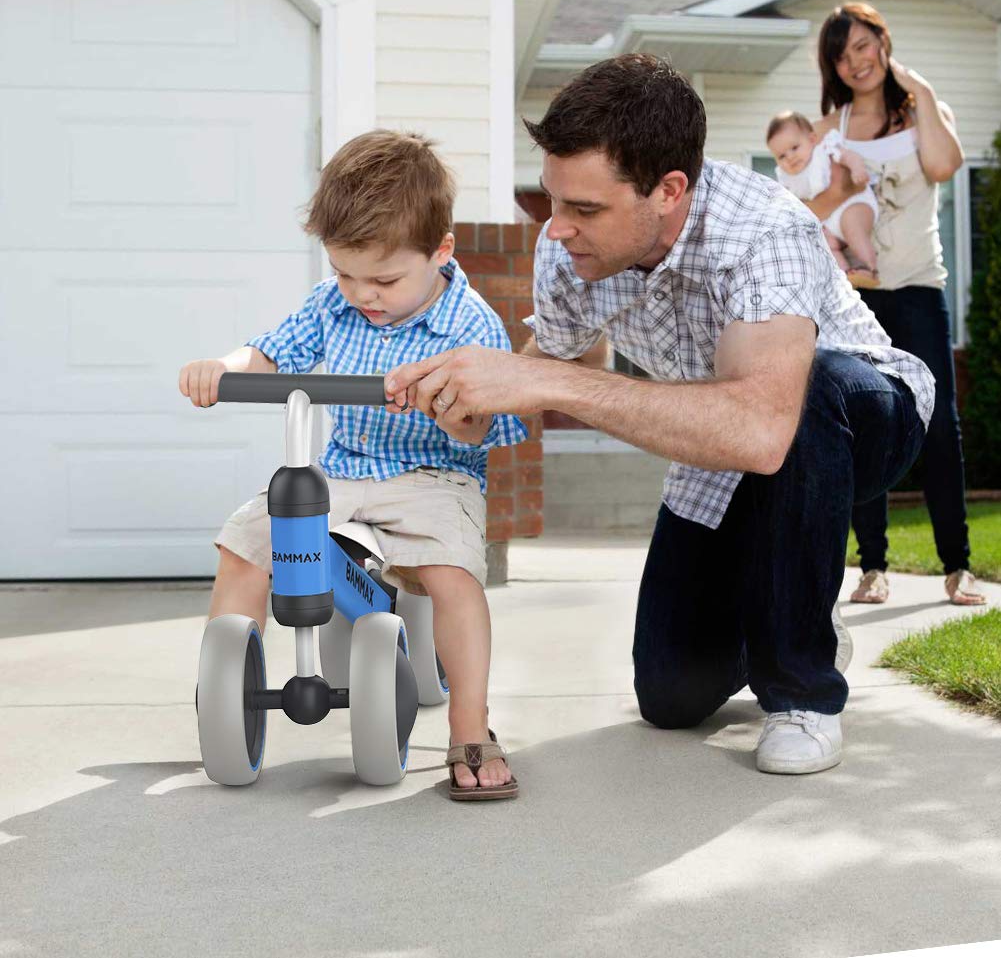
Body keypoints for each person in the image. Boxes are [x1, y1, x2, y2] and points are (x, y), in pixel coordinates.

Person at [384, 54, 935, 775]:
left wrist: (551, 383)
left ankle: (804, 691)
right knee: (671, 694)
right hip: (723, 448)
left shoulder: (764, 230)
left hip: (861, 417)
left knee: (811, 385)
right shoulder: (570, 252)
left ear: (668, 190)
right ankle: (796, 604)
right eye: (553, 200)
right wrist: (461, 400)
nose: (557, 229)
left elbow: (762, 430)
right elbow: (528, 379)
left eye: (584, 209)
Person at [178, 130, 527, 801]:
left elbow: (482, 427)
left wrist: (447, 405)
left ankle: (469, 724)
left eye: (385, 279)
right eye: (344, 273)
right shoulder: (331, 302)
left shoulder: (471, 324)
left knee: (452, 574)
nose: (362, 293)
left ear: (441, 251)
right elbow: (272, 351)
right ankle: (226, 689)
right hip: (343, 468)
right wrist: (222, 369)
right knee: (247, 541)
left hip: (433, 477)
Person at [808, 2, 985, 607]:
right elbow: (815, 206)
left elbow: (942, 164)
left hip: (917, 287)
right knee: (868, 425)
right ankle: (873, 568)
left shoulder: (923, 112)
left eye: (864, 46)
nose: (856, 61)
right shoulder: (831, 128)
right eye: (842, 53)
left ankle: (958, 567)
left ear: (883, 43)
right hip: (858, 300)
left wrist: (924, 89)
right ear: (832, 65)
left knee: (939, 427)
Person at [766, 110, 880, 287]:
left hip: (855, 204)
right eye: (781, 156)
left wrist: (857, 169)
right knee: (825, 242)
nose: (790, 157)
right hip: (828, 221)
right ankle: (843, 275)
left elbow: (848, 156)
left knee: (853, 227)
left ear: (811, 140)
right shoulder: (785, 178)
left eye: (794, 148)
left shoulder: (824, 151)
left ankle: (869, 267)